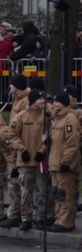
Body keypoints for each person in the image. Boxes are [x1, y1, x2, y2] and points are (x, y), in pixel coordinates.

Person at [10, 89, 47, 231]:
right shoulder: (20, 117)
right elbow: (12, 135)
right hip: (25, 161)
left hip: (40, 161)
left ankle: (41, 217)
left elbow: (50, 135)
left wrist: (42, 151)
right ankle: (26, 218)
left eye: (43, 99)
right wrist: (22, 149)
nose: (42, 101)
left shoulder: (46, 117)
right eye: (39, 99)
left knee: (41, 190)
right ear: (32, 101)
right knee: (26, 190)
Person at [45, 93, 80, 233]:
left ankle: (65, 222)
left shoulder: (70, 119)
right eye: (54, 102)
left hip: (64, 164)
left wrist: (66, 161)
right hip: (54, 163)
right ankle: (59, 219)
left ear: (65, 104)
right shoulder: (57, 119)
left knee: (65, 194)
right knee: (57, 194)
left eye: (57, 102)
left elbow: (72, 143)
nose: (54, 104)